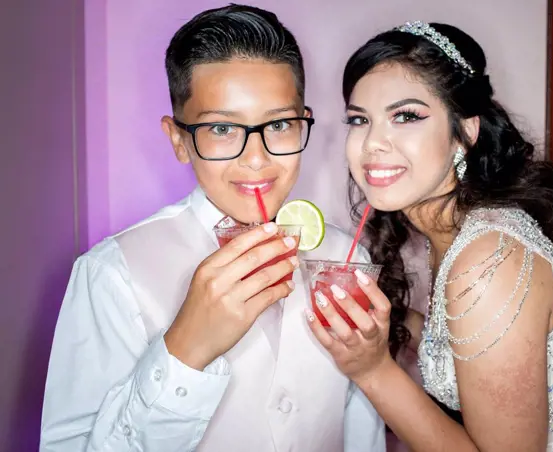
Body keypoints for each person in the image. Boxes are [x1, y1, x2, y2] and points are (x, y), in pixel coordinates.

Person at [306, 20, 553, 451]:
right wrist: (395, 317)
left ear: (465, 132)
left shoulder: (488, 261)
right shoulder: (464, 228)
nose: (372, 143)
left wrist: (371, 370)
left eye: (405, 116)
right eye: (359, 119)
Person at [40, 5, 385, 451]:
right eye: (222, 128)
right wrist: (185, 347)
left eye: (279, 124)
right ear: (179, 140)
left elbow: (361, 429)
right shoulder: (110, 274)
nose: (256, 158)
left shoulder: (347, 258)